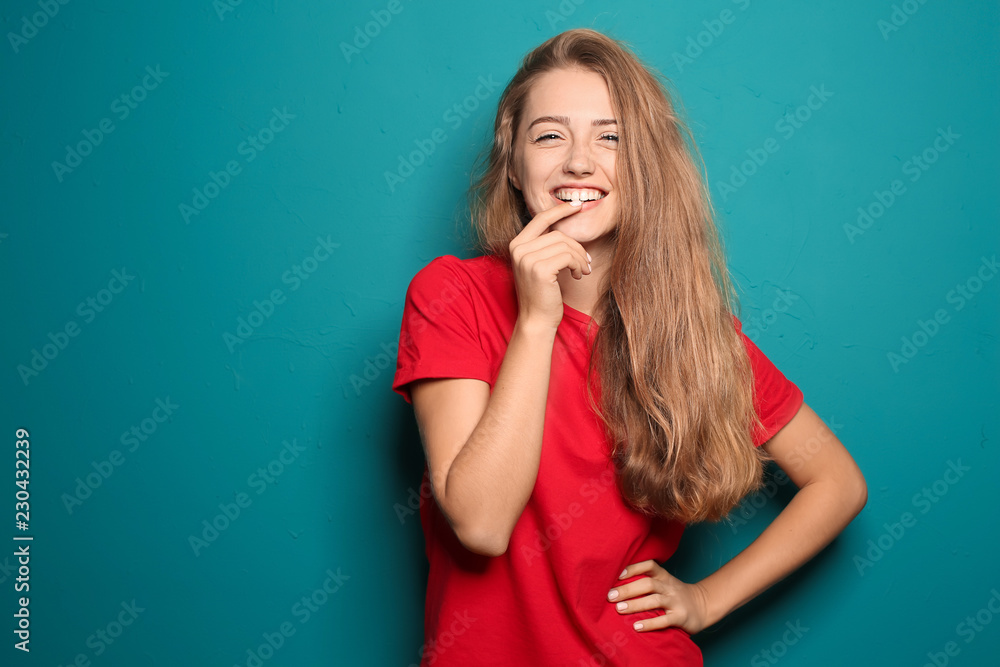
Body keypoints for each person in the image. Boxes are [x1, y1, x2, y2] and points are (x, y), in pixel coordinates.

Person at [392, 28, 867, 667]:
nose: (580, 163)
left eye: (610, 137)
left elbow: (837, 482)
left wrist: (707, 601)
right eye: (549, 135)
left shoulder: (693, 337)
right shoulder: (453, 295)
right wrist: (537, 321)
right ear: (513, 164)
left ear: (642, 166)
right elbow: (481, 524)